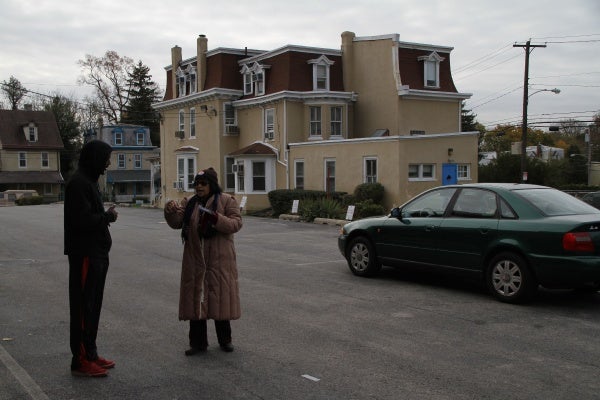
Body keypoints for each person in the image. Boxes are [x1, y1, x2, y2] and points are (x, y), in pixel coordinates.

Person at [164, 167, 242, 355]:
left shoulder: (226, 200)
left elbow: (236, 223)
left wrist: (215, 218)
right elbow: (177, 222)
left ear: (212, 185)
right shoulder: (189, 202)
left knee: (219, 299)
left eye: (203, 183)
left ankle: (225, 340)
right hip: (195, 259)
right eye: (196, 184)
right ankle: (197, 344)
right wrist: (170, 212)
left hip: (219, 260)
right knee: (195, 300)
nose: (199, 187)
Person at [64, 140, 118, 377]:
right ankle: (81, 358)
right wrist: (106, 217)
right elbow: (81, 221)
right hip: (84, 254)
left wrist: (104, 217)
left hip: (97, 253)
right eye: (106, 158)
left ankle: (91, 352)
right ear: (94, 158)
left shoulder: (90, 182)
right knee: (83, 308)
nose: (108, 163)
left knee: (93, 305)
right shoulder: (78, 184)